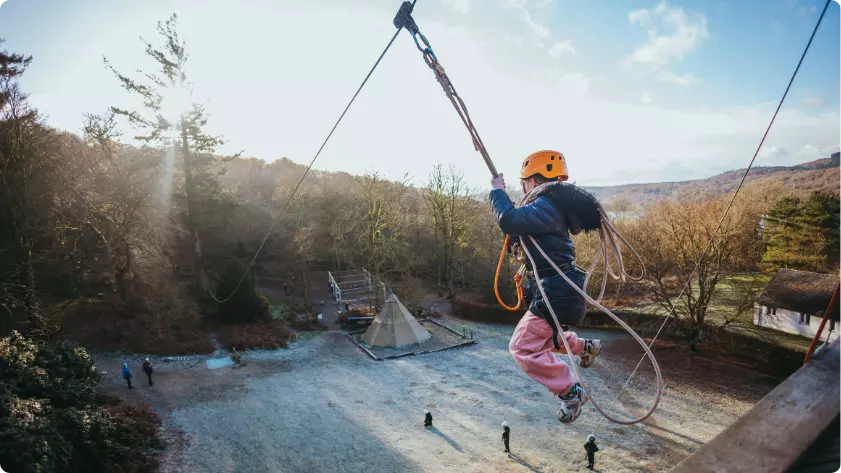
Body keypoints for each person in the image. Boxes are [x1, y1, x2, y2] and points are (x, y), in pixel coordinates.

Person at [490, 150, 602, 424]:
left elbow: (508, 220)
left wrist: (497, 192)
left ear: (533, 182)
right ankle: (584, 346)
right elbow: (518, 226)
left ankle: (571, 391)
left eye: (524, 183)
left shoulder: (546, 206)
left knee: (522, 348)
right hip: (562, 293)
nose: (523, 188)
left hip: (556, 292)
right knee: (542, 339)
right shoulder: (551, 209)